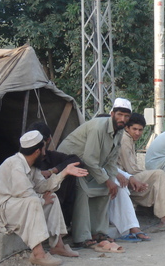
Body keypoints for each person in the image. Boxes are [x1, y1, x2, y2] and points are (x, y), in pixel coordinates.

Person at [0, 130, 88, 266]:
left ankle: (58, 245)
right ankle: (38, 253)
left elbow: (43, 186)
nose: (45, 153)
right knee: (34, 201)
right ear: (37, 152)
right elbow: (24, 194)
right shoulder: (15, 165)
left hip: (14, 206)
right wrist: (42, 201)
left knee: (52, 197)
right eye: (43, 149)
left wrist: (64, 173)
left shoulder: (31, 166)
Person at [57, 98, 138, 253]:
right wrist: (108, 180)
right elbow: (88, 158)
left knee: (105, 189)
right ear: (112, 113)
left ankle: (99, 232)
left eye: (126, 116)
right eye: (120, 115)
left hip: (88, 166)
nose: (123, 119)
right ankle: (82, 237)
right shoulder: (98, 128)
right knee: (84, 189)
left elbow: (111, 160)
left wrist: (111, 180)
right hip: (69, 163)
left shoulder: (119, 131)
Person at [115, 112, 165, 233]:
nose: (137, 133)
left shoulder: (129, 139)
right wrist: (148, 174)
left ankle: (149, 210)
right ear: (127, 127)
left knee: (157, 177)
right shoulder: (124, 140)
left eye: (140, 130)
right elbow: (131, 170)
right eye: (134, 129)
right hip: (123, 179)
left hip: (127, 177)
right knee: (158, 174)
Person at [27, 121, 83, 228]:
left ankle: (64, 223)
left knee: (69, 175)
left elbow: (76, 160)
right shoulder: (20, 163)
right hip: (32, 204)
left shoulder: (52, 157)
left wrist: (53, 171)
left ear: (47, 141)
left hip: (50, 200)